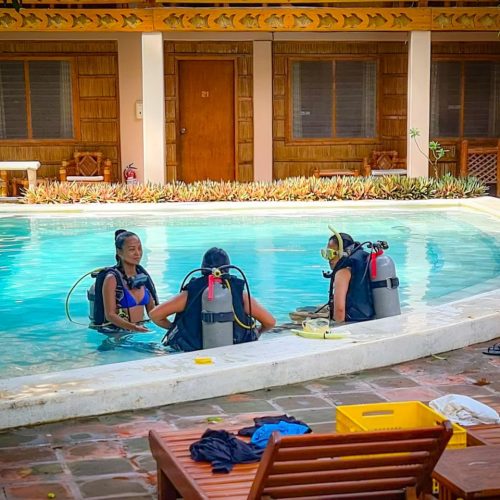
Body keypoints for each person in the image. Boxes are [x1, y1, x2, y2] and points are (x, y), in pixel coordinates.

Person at [150, 247, 276, 352]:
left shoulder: (191, 293)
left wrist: (176, 328)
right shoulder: (239, 294)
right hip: (234, 350)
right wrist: (258, 332)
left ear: (203, 267)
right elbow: (270, 322)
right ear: (228, 268)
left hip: (194, 350)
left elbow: (155, 315)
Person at [101, 229, 170, 333]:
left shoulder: (142, 277)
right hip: (117, 335)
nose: (137, 253)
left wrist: (174, 327)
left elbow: (153, 313)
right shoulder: (112, 279)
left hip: (140, 331)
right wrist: (134, 328)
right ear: (119, 252)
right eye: (132, 249)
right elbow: (110, 315)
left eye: (139, 248)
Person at [322, 232, 375, 323]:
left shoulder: (342, 272)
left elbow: (340, 310)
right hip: (367, 318)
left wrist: (335, 327)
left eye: (331, 254)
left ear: (343, 253)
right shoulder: (361, 264)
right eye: (326, 254)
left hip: (352, 323)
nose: (329, 259)